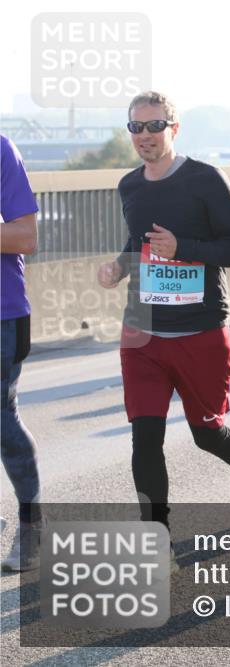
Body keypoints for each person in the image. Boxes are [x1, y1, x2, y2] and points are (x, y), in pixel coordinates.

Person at [97, 92, 230, 535]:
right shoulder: (130, 185)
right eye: (136, 128)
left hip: (200, 329)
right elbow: (137, 242)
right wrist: (120, 266)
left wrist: (184, 249)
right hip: (142, 333)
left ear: (174, 128)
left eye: (155, 126)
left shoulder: (205, 179)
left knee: (206, 432)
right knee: (145, 438)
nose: (145, 136)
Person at [0, 134, 43, 572]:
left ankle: (33, 529)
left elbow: (25, 236)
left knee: (1, 417)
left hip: (2, 314)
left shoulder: (1, 150)